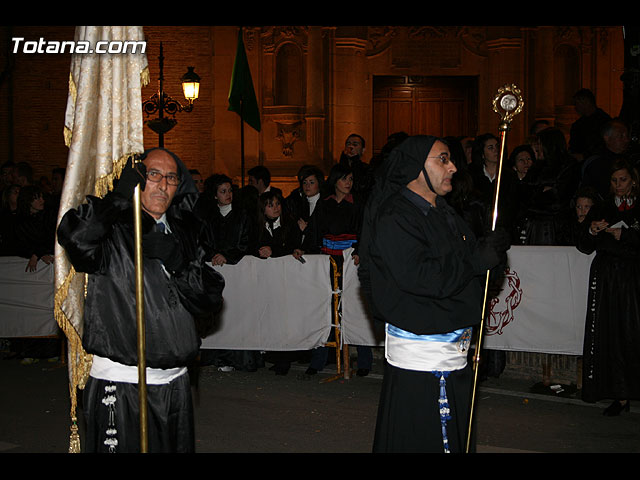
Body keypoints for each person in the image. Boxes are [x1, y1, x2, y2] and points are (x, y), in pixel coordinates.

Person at [57, 148, 225, 453]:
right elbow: (74, 236)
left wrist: (178, 261)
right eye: (153, 175)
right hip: (123, 385)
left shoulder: (184, 231)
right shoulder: (112, 231)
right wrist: (118, 199)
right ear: (138, 178)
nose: (163, 184)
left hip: (175, 384)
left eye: (171, 178)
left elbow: (209, 298)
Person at [358, 135, 510, 453]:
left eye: (451, 158)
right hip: (425, 363)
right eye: (442, 159)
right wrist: (476, 260)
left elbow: (471, 269)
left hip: (453, 353)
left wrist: (492, 255)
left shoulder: (444, 212)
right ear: (416, 167)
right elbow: (426, 279)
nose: (453, 166)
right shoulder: (395, 217)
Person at [577, 158, 640, 415]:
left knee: (633, 331)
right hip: (607, 278)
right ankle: (620, 395)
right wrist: (592, 230)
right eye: (614, 181)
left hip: (634, 276)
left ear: (633, 180)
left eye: (623, 180)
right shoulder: (602, 206)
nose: (618, 185)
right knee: (610, 333)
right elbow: (583, 243)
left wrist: (625, 235)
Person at [302, 163, 372, 377]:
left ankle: (364, 361)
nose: (348, 183)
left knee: (356, 309)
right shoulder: (325, 205)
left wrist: (360, 251)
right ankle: (319, 359)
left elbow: (365, 230)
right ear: (335, 181)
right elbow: (314, 233)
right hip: (328, 263)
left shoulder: (358, 204)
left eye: (351, 179)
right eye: (344, 179)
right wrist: (304, 250)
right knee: (326, 310)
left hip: (351, 262)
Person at [195, 174, 260, 373]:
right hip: (215, 272)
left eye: (230, 190)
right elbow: (202, 242)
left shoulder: (242, 216)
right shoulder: (208, 218)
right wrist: (214, 254)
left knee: (238, 314)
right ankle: (216, 356)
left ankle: (240, 358)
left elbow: (246, 243)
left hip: (237, 271)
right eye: (223, 192)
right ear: (215, 196)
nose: (228, 195)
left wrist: (226, 255)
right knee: (218, 314)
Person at [254, 190, 306, 375]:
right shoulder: (257, 226)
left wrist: (273, 250)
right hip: (265, 281)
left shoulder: (289, 224)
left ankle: (285, 358)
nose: (275, 208)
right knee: (268, 317)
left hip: (285, 281)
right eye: (270, 205)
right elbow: (252, 246)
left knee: (283, 318)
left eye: (277, 204)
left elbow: (293, 246)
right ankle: (270, 354)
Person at [580, 118, 631, 198]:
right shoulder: (597, 163)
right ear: (607, 138)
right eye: (621, 136)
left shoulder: (629, 160)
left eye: (627, 136)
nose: (626, 140)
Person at [569, 88, 611, 162]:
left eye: (576, 103)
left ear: (586, 102)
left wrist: (585, 155)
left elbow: (604, 144)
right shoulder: (577, 125)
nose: (575, 108)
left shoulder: (604, 121)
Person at [338, 133, 373, 200]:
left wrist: (355, 161)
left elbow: (361, 187)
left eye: (355, 144)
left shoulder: (368, 169)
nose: (351, 147)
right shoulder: (338, 167)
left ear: (363, 150)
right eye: (348, 144)